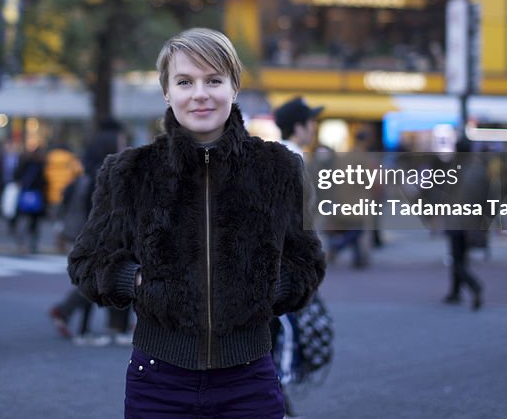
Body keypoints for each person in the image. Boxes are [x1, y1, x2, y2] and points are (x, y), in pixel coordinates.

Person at [69, 28, 326, 418]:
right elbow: (88, 264)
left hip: (249, 379)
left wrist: (264, 286)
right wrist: (139, 282)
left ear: (234, 88)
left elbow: (307, 265)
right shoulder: (129, 172)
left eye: (214, 80)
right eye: (185, 81)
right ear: (167, 92)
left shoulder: (279, 169)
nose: (200, 93)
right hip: (158, 380)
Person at [50, 118, 128, 343]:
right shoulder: (107, 176)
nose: (125, 146)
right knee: (105, 277)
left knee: (108, 276)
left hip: (96, 234)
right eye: (121, 143)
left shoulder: (93, 172)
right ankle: (68, 312)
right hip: (105, 236)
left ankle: (111, 326)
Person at [442, 137, 486, 310]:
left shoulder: (453, 169)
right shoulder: (479, 169)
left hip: (456, 219)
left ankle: (473, 285)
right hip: (472, 220)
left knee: (457, 259)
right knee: (461, 258)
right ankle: (455, 292)